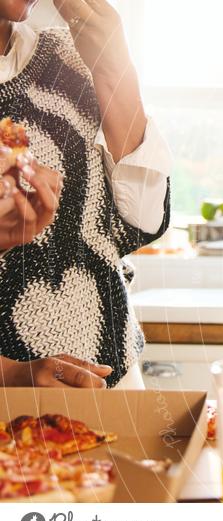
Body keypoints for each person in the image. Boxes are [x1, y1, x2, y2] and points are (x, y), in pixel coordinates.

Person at [0, 0, 171, 389]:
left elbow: (139, 224)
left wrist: (113, 70)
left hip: (109, 385)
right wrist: (11, 373)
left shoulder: (70, 55)